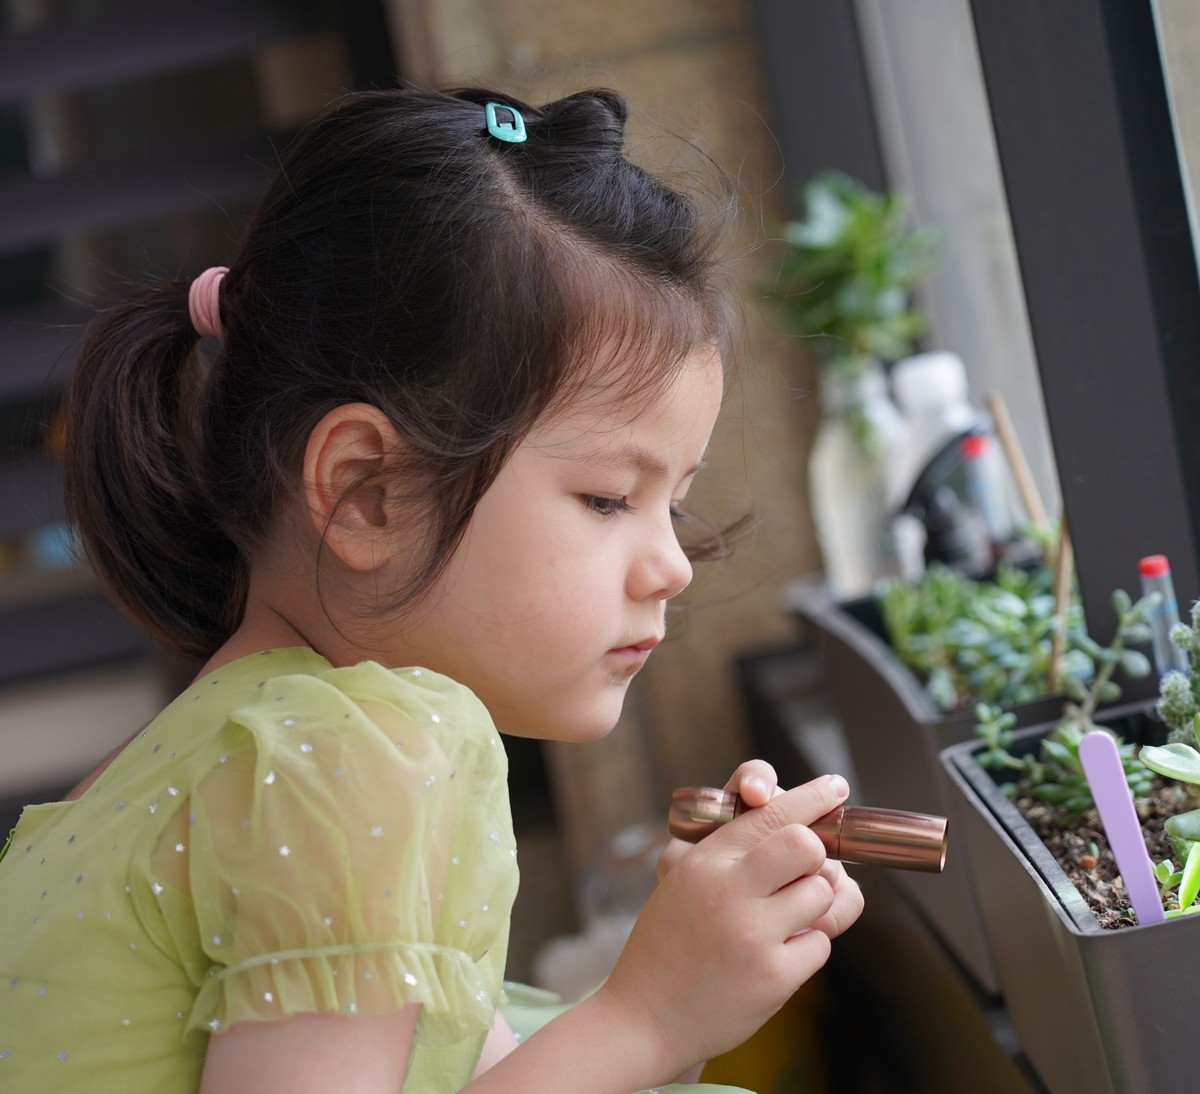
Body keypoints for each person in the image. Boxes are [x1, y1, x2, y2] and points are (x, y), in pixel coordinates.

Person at [0, 86, 863, 1092]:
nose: (669, 562)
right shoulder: (358, 758)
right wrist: (650, 1016)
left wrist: (693, 966)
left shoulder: (200, 757)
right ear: (368, 492)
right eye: (605, 497)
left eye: (673, 501)